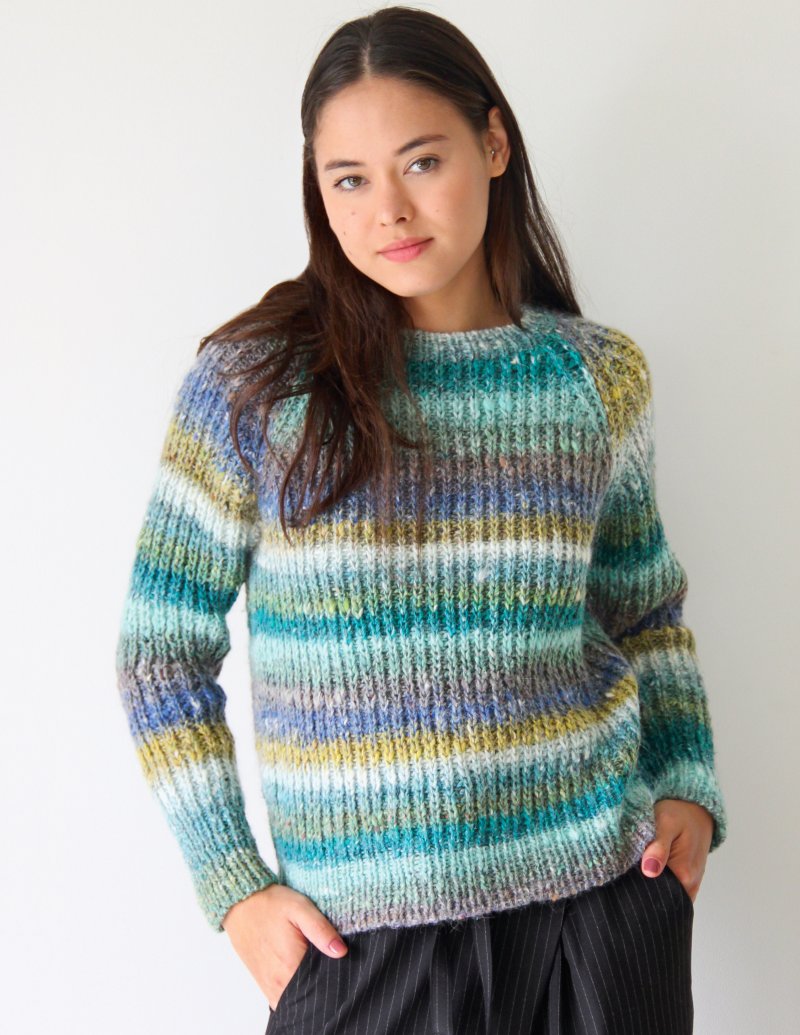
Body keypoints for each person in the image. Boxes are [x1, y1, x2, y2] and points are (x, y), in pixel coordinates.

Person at [114, 6, 728, 1033]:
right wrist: (234, 886)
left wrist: (691, 790)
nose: (387, 211)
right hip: (361, 947)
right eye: (348, 179)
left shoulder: (595, 379)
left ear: (493, 145)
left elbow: (643, 610)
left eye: (421, 161)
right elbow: (158, 653)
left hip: (600, 913)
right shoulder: (257, 387)